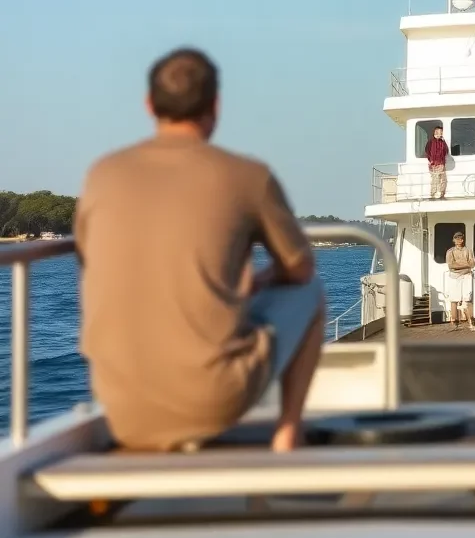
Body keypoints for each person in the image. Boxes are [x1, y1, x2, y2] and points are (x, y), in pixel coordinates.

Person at [75, 48, 326, 453]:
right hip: (213, 400)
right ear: (216, 105)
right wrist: (262, 279)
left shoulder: (102, 174)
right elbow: (299, 269)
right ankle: (288, 433)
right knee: (311, 291)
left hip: (122, 410)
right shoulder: (248, 176)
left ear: (149, 104)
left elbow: (89, 260)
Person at [445, 231, 475, 330]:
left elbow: (472, 264)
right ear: (453, 240)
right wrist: (465, 264)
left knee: (468, 299)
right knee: (454, 299)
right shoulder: (450, 251)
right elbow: (451, 265)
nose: (459, 240)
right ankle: (454, 322)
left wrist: (459, 264)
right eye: (457, 238)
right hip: (454, 276)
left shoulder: (468, 250)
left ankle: (471, 322)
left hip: (467, 275)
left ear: (463, 239)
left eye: (461, 238)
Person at [425, 125, 449, 199]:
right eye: (437, 132)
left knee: (443, 179)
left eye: (440, 132)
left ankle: (442, 193)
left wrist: (444, 141)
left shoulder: (442, 142)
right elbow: (427, 151)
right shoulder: (431, 142)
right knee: (435, 179)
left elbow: (446, 151)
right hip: (433, 164)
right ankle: (433, 193)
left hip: (441, 163)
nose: (439, 134)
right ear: (434, 133)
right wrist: (431, 160)